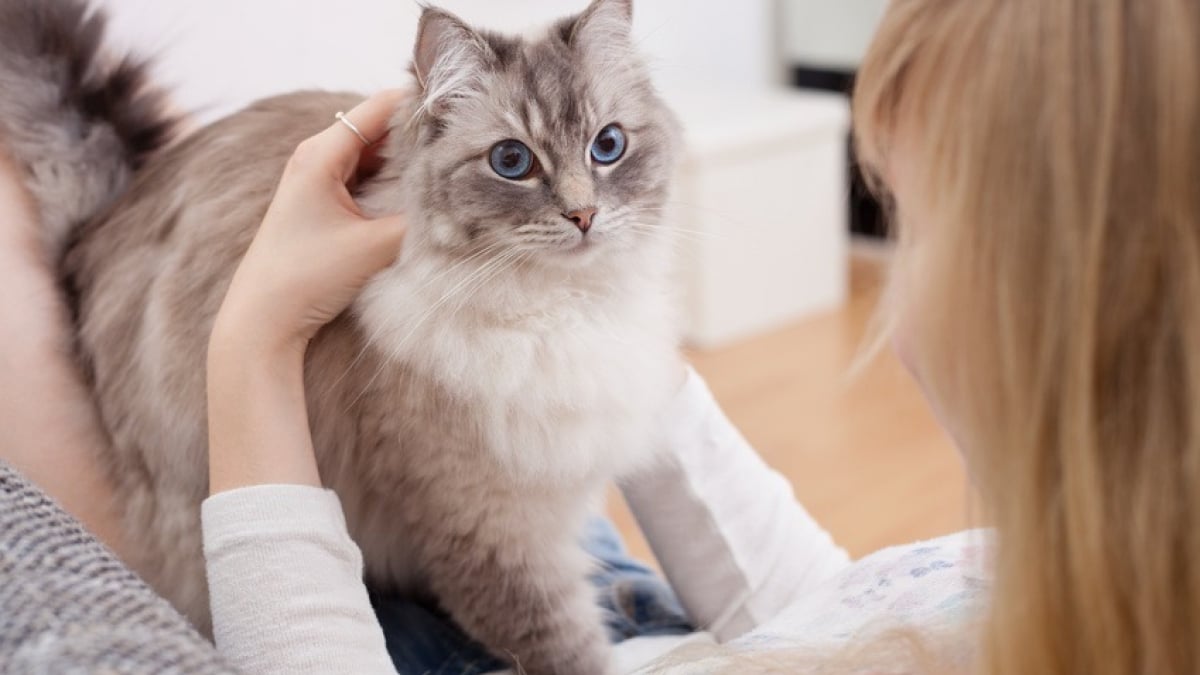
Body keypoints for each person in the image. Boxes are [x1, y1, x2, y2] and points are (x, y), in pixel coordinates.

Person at [1, 0, 1197, 674]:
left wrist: (256, 336)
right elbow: (818, 605)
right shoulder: (1025, 588)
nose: (579, 201)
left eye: (912, 217)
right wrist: (606, 327)